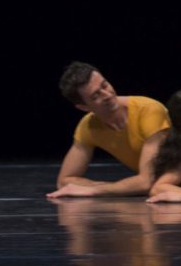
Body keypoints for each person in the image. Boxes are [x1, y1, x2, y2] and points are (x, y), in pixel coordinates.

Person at [48, 61, 169, 198]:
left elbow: (146, 182)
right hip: (167, 189)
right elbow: (64, 181)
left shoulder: (148, 110)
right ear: (84, 107)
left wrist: (93, 190)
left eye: (104, 85)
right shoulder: (88, 126)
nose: (107, 95)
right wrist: (109, 187)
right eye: (96, 95)